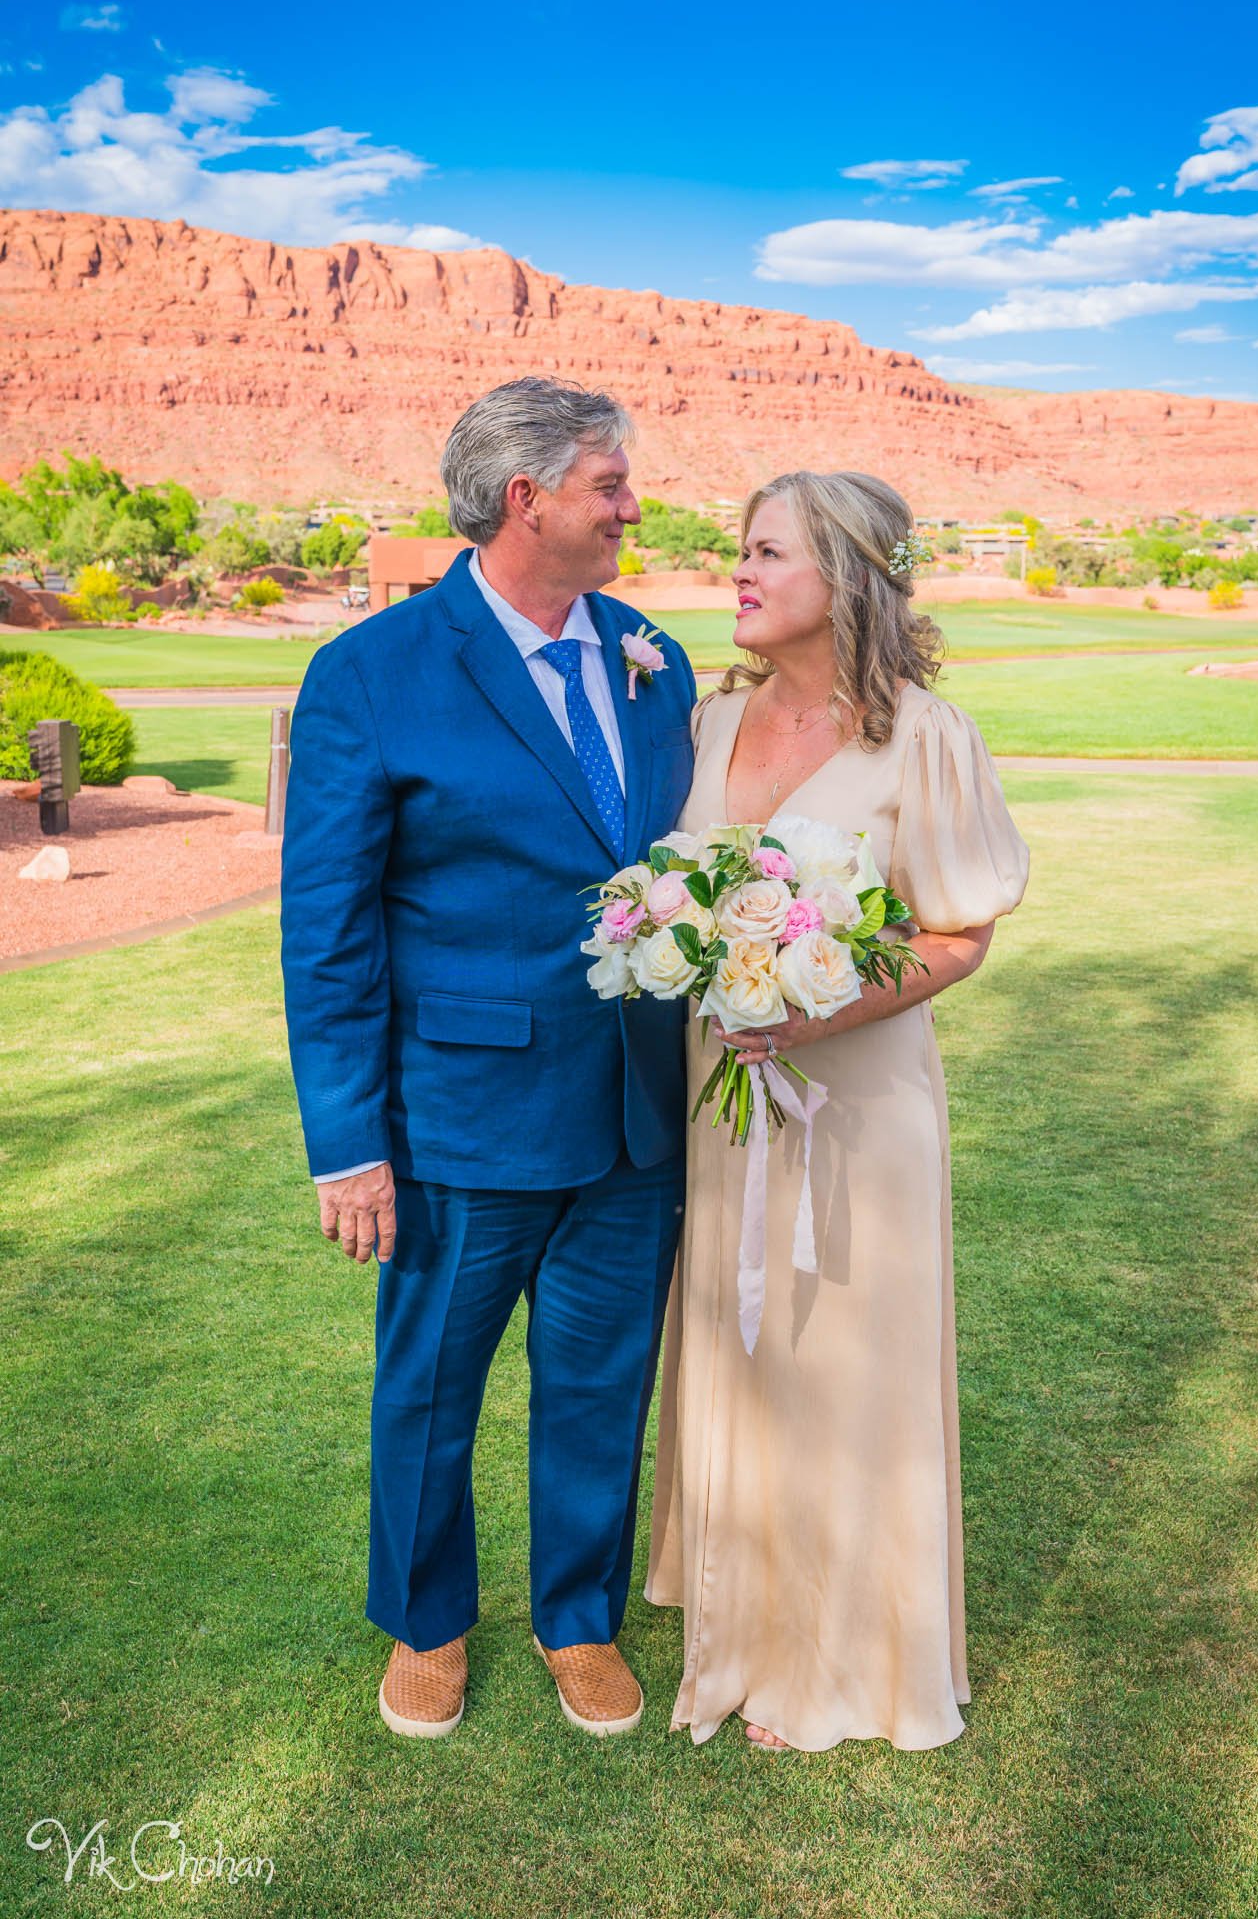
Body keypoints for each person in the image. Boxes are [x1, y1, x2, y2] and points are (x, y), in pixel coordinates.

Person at [280, 376, 697, 1741]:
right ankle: (427, 1621)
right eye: (610, 485)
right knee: (430, 1392)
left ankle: (576, 1620)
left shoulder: (651, 655)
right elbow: (328, 930)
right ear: (527, 499)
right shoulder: (370, 674)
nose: (633, 506)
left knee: (598, 1383)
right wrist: (348, 1140)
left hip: (635, 1114)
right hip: (458, 1119)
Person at [645, 469, 1030, 1753]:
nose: (736, 572)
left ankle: (840, 1652)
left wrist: (811, 1010)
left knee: (838, 1363)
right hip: (727, 1104)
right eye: (735, 549)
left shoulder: (924, 736)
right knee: (746, 1348)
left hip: (857, 1110)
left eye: (764, 553)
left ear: (847, 573)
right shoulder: (705, 726)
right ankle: (738, 1612)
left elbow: (956, 932)